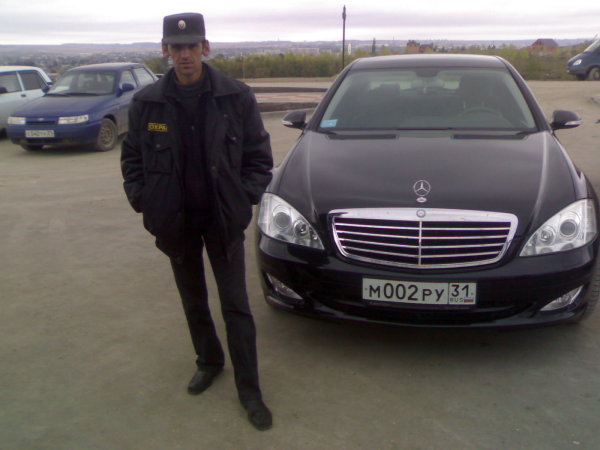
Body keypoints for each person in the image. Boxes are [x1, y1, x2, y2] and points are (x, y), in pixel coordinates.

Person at [121, 12, 274, 431]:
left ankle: (249, 389)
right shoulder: (148, 103)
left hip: (222, 220)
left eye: (191, 46)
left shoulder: (235, 97)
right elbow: (132, 160)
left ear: (205, 48)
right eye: (177, 47)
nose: (184, 54)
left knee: (236, 305)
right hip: (175, 221)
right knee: (193, 300)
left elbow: (259, 158)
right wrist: (145, 202)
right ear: (165, 50)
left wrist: (242, 199)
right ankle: (208, 361)